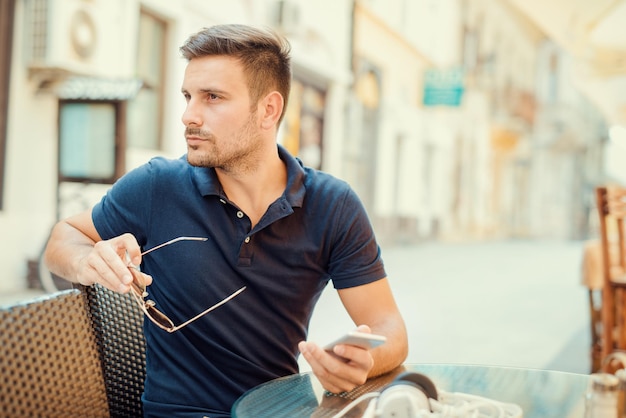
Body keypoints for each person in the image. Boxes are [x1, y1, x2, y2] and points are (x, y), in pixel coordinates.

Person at [44, 23, 408, 417]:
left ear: (269, 109)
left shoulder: (332, 205)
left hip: (277, 411)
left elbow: (388, 326)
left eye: (212, 97)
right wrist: (86, 259)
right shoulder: (157, 186)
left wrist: (364, 361)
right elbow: (64, 237)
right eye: (187, 96)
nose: (188, 115)